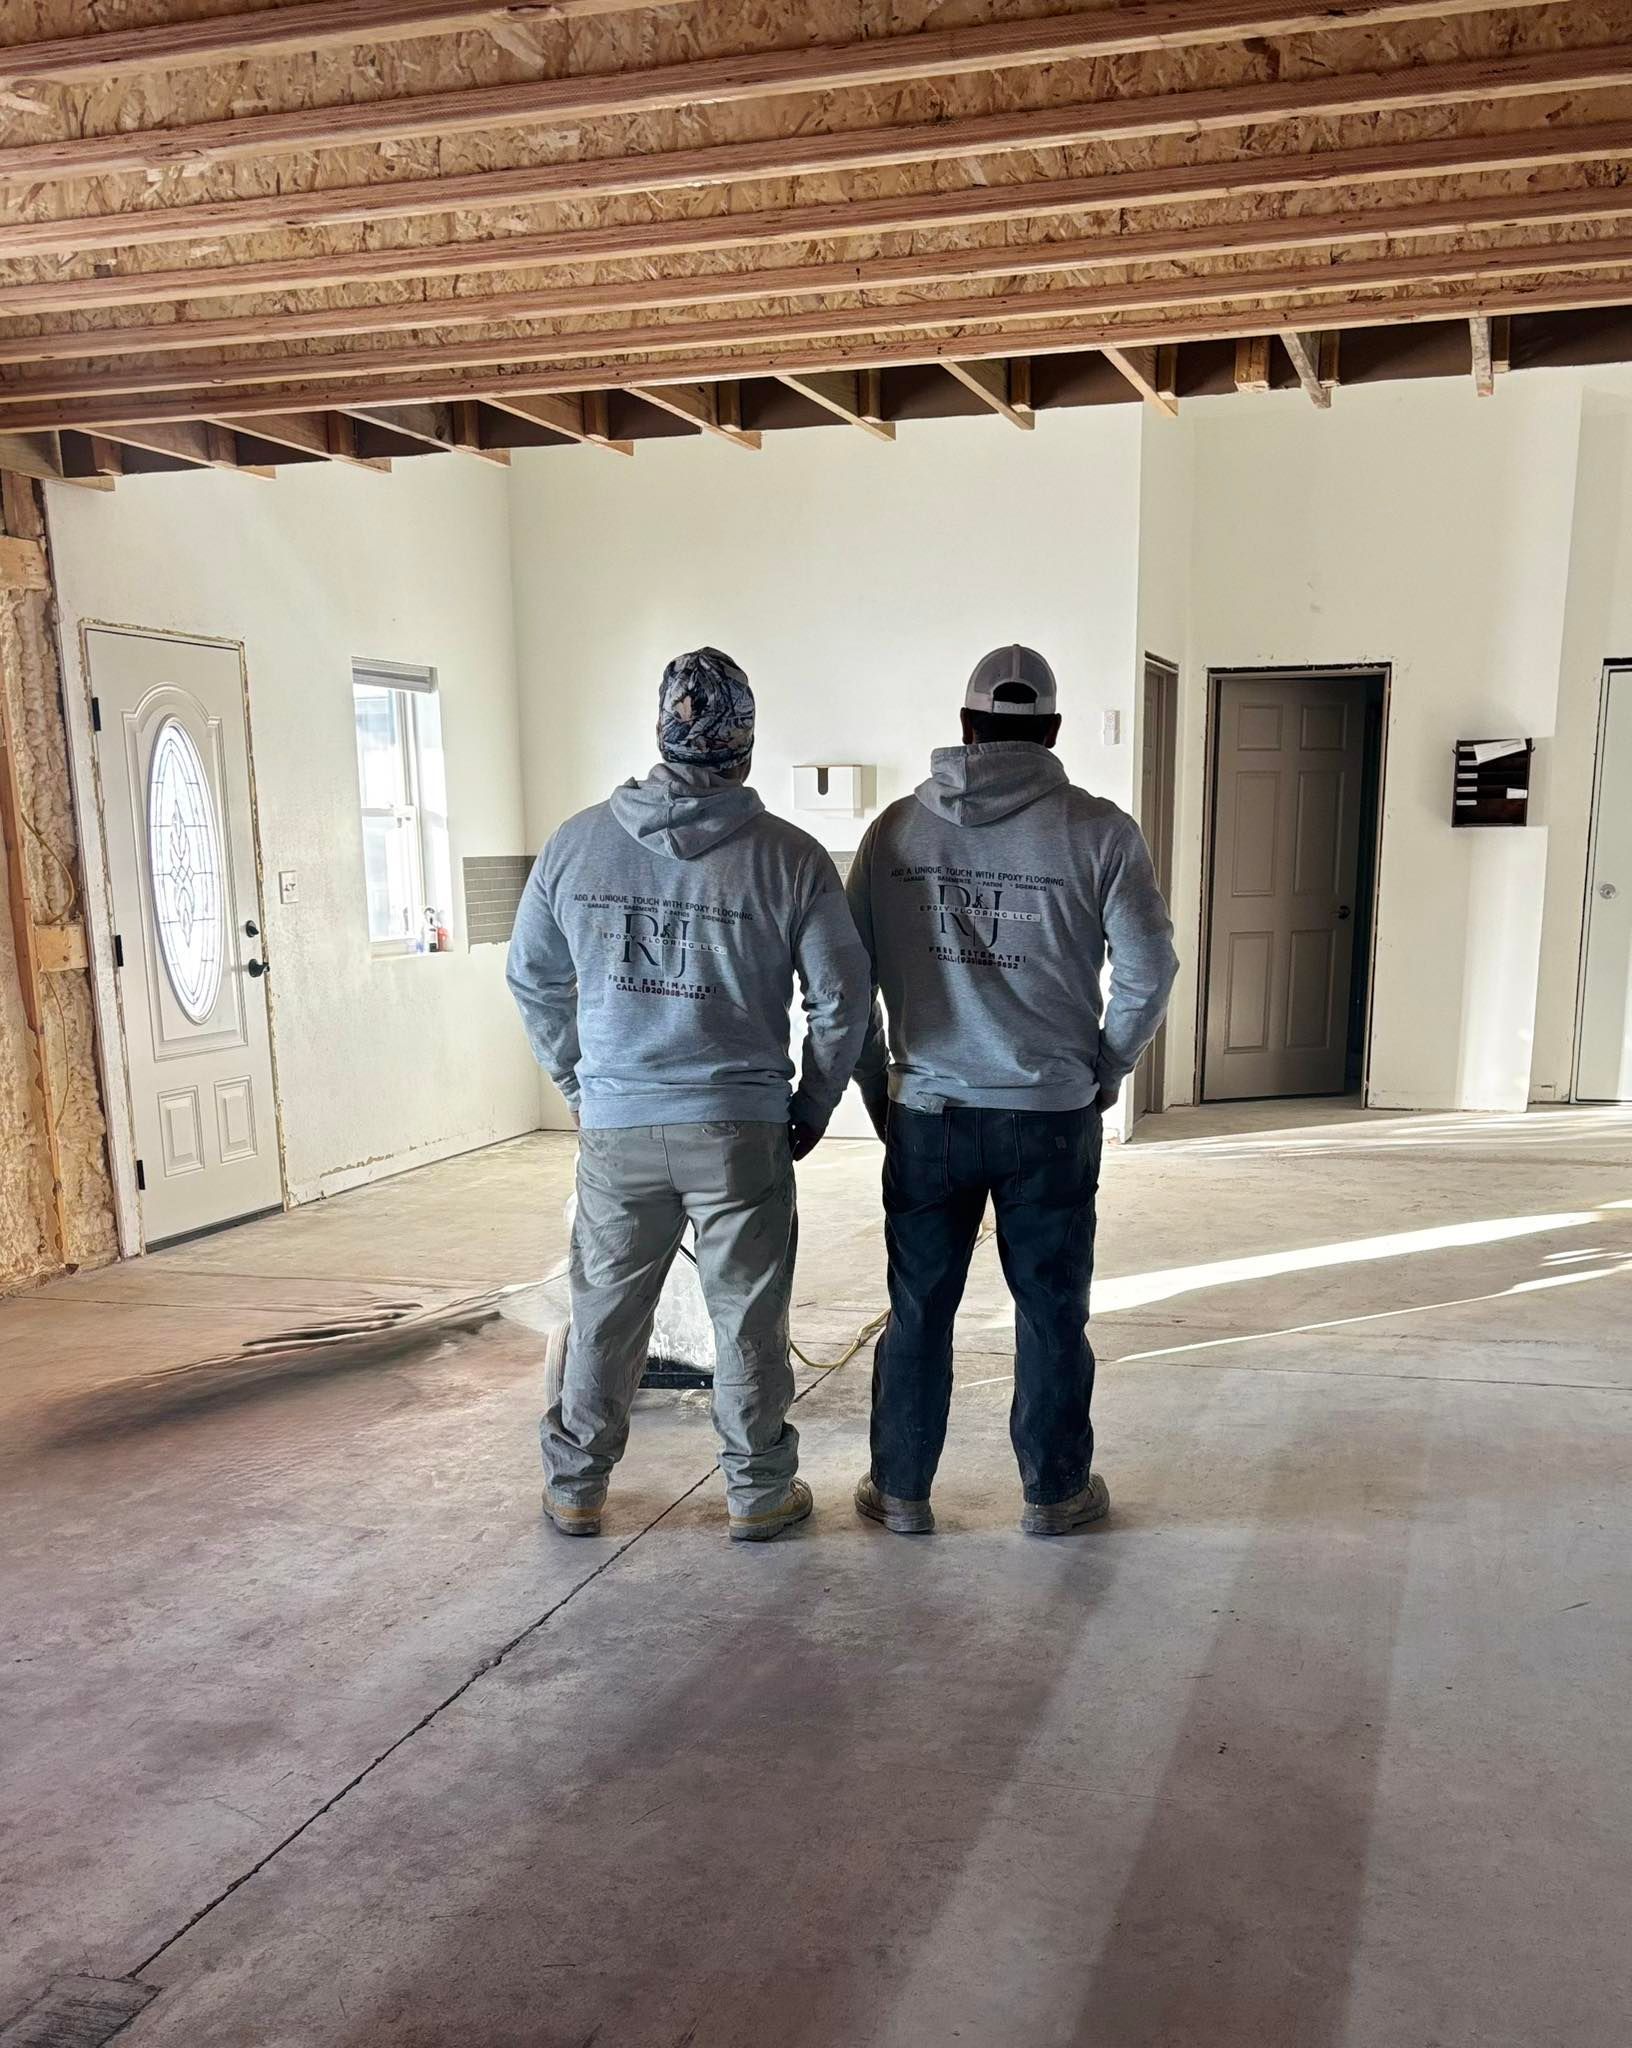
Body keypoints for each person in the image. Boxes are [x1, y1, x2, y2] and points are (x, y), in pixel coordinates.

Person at [507, 648, 870, 1543]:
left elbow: (531, 978)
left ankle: (577, 1488)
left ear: (660, 735)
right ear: (745, 747)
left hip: (620, 1126)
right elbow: (843, 998)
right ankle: (757, 1494)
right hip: (739, 1126)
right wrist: (815, 1103)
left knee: (604, 1310)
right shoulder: (789, 858)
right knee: (746, 1313)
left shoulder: (577, 842)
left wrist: (579, 1082)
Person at [847, 645, 1178, 1538]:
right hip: (1050, 1114)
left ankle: (903, 1493)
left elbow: (845, 980)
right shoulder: (1100, 830)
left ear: (964, 728)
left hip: (930, 1112)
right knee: (1050, 1307)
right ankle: (1055, 1493)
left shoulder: (894, 834)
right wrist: (1104, 1070)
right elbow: (1149, 971)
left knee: (920, 1307)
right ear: (1055, 732)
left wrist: (880, 1083)